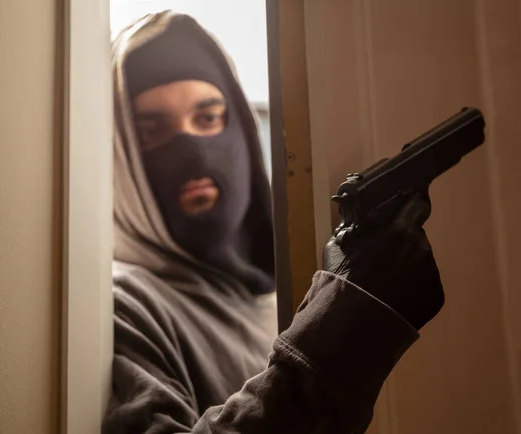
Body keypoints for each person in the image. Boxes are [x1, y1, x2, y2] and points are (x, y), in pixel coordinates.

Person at [103, 10, 445, 434]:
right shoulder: (123, 309)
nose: (192, 152)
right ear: (121, 159)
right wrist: (341, 329)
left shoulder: (285, 284)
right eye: (152, 131)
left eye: (208, 118)